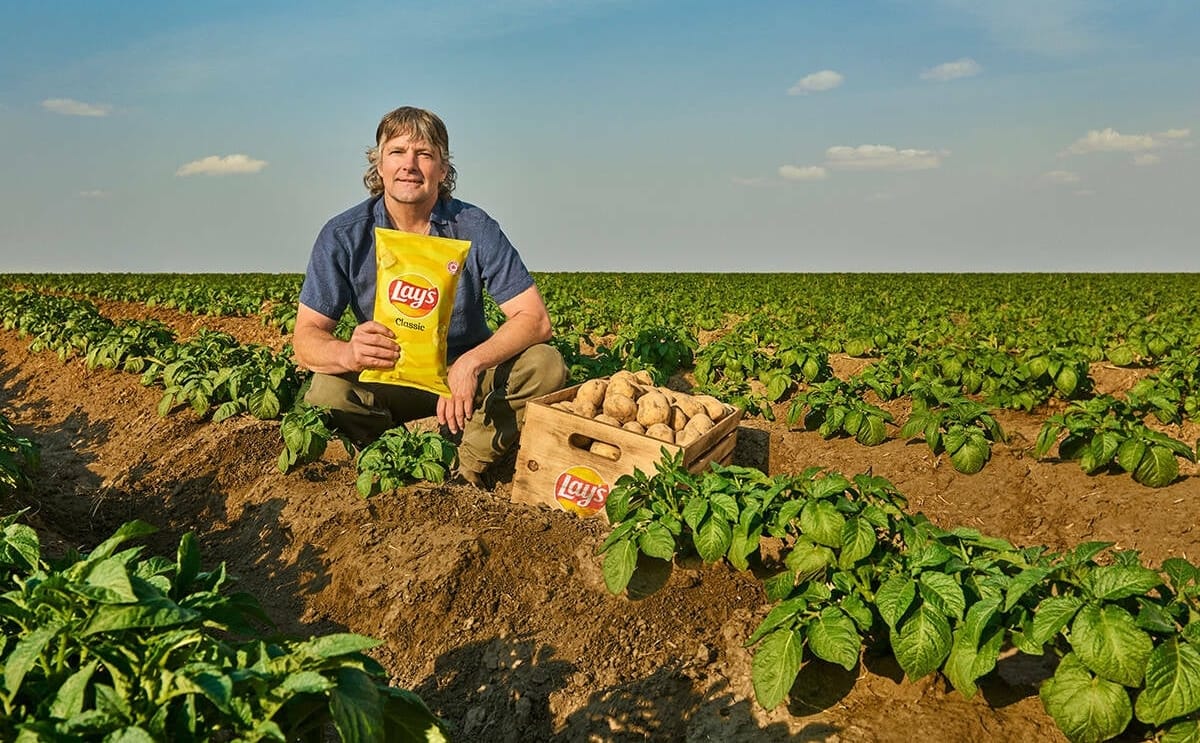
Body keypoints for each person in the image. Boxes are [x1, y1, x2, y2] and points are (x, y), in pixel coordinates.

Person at [294, 106, 567, 487]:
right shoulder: (343, 235)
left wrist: (470, 364)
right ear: (379, 165)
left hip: (465, 378)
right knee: (327, 392)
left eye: (424, 154)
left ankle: (466, 466)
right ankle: (388, 457)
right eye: (397, 152)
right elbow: (306, 337)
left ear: (443, 169)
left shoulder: (473, 227)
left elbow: (534, 319)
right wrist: (348, 354)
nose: (409, 165)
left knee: (545, 366)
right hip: (389, 374)